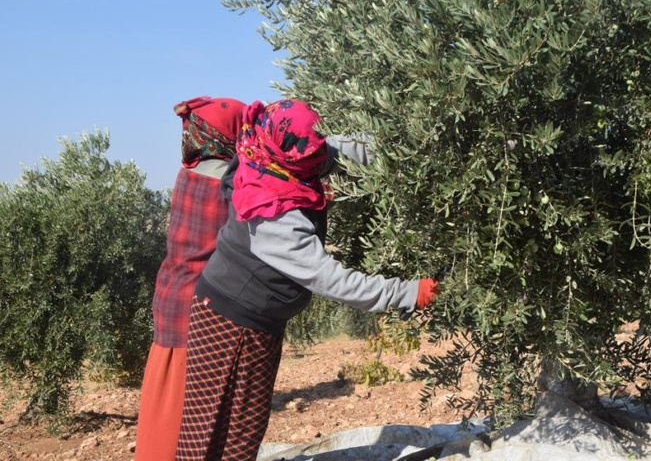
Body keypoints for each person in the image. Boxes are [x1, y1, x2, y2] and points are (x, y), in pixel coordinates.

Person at [174, 99, 440, 460]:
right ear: (291, 159)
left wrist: (414, 143)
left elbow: (337, 150)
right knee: (216, 434)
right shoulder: (272, 214)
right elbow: (332, 280)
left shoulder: (271, 153)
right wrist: (406, 292)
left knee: (243, 432)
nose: (319, 161)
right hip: (231, 324)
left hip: (253, 320)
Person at [134, 96, 246, 461]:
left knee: (162, 408)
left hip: (169, 301)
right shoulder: (230, 181)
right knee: (187, 424)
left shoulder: (190, 170)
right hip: (196, 315)